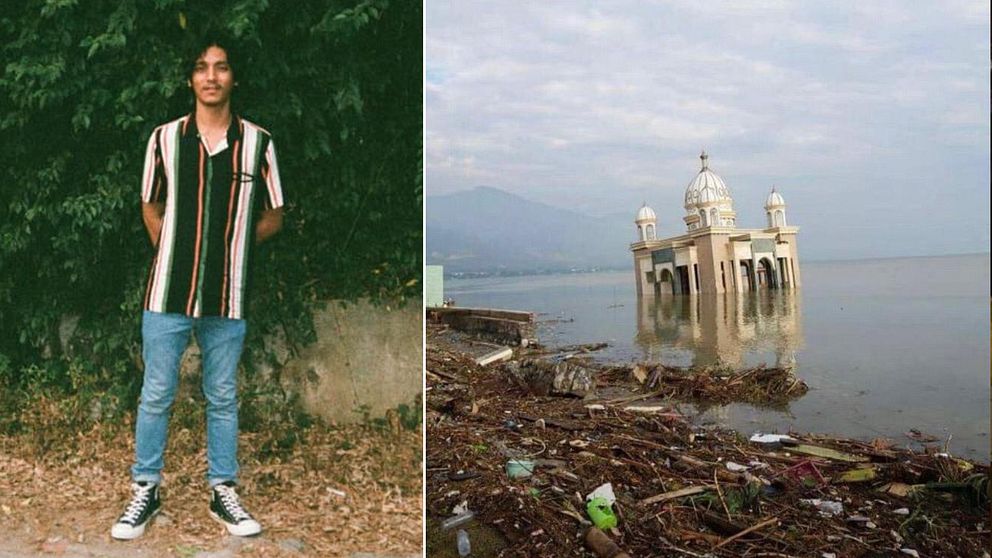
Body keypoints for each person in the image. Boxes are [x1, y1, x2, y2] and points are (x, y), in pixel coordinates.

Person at [111, 39, 285, 540]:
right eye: (201, 68)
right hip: (167, 295)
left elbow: (274, 215)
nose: (211, 77)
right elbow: (150, 205)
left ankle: (222, 491)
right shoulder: (164, 139)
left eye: (222, 67)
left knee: (223, 396)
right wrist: (173, 248)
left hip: (227, 296)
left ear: (234, 77)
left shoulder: (258, 143)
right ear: (190, 79)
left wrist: (231, 244)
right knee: (157, 394)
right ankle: (145, 488)